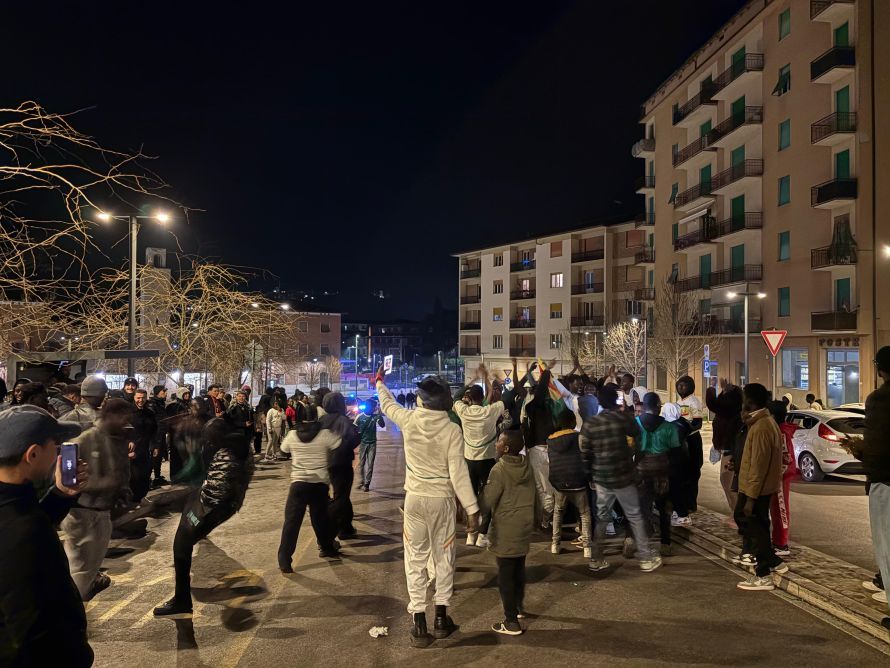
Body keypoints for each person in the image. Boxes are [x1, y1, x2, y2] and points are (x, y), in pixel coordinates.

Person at [374, 368, 479, 648]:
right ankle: (442, 619)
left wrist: (380, 383)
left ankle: (419, 623)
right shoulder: (452, 429)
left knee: (415, 559)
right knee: (444, 557)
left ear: (421, 399)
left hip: (415, 500)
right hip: (441, 500)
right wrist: (472, 508)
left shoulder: (409, 420)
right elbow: (458, 473)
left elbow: (387, 404)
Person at [0, 405, 93, 666]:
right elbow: (31, 632)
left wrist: (60, 495)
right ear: (33, 454)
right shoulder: (21, 532)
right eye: (56, 445)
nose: (59, 452)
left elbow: (27, 519)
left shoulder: (14, 501)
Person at [154, 417, 254, 617]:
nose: (207, 443)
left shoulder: (226, 456)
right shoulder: (241, 449)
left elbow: (213, 494)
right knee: (183, 538)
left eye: (209, 440)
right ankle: (181, 599)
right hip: (223, 505)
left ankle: (181, 601)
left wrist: (184, 501)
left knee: (181, 544)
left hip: (213, 508)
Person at [581, 385, 661, 573]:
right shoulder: (621, 418)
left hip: (601, 477)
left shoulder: (591, 423)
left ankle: (596, 558)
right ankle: (645, 559)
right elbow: (636, 431)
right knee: (634, 516)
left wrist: (590, 474)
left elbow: (585, 452)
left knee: (601, 518)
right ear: (615, 402)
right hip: (623, 476)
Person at [62, 398, 135, 600]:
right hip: (81, 512)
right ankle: (70, 615)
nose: (124, 423)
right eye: (122, 418)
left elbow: (122, 470)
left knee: (90, 568)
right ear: (110, 415)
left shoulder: (117, 437)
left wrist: (123, 488)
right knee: (79, 569)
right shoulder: (86, 438)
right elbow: (67, 473)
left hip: (103, 512)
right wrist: (100, 483)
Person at [845, 346, 890, 628]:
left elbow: (878, 446)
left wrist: (859, 449)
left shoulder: (880, 400)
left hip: (886, 480)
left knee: (886, 546)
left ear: (880, 369)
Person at [479, 430, 535, 636]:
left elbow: (488, 500)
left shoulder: (499, 470)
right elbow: (535, 492)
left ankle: (510, 621)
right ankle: (519, 608)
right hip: (524, 525)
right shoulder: (526, 465)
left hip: (506, 528)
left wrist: (474, 512)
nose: (496, 444)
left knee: (505, 575)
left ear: (507, 448)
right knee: (518, 569)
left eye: (499, 442)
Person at [735, 383, 787, 591]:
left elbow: (758, 464)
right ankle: (774, 561)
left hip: (755, 489)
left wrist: (751, 498)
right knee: (759, 528)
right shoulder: (761, 422)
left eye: (744, 398)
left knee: (753, 527)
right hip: (757, 487)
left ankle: (764, 572)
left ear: (750, 401)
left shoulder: (763, 426)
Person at [277, 411, 342, 571]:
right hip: (319, 483)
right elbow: (339, 443)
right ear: (316, 417)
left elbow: (283, 450)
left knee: (291, 523)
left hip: (298, 484)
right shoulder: (325, 434)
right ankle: (327, 548)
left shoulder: (292, 435)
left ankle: (284, 561)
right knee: (320, 520)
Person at [452, 372, 503, 548]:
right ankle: (483, 534)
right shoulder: (490, 411)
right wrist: (492, 385)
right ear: (482, 398)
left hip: (469, 462)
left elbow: (457, 396)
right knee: (488, 497)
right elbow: (502, 400)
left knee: (470, 498)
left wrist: (470, 384)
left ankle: (470, 534)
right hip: (487, 461)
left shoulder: (463, 411)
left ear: (469, 398)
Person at [636, 394, 681, 556]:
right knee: (664, 508)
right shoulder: (670, 427)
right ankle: (665, 543)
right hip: (662, 471)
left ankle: (641, 542)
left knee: (642, 508)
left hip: (641, 471)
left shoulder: (635, 423)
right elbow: (676, 452)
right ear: (657, 406)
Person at [547, 408, 592, 558]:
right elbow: (586, 455)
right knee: (584, 512)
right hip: (578, 480)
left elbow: (550, 462)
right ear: (572, 422)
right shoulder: (579, 437)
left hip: (559, 482)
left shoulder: (550, 440)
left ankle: (555, 544)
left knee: (558, 511)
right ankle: (587, 548)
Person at [320, 392, 361, 539]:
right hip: (341, 462)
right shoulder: (343, 420)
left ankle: (346, 526)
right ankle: (332, 529)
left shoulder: (322, 420)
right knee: (341, 496)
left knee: (341, 495)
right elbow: (354, 439)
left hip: (324, 461)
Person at [521, 365, 556, 529]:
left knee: (541, 486)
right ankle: (546, 519)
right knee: (546, 486)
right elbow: (540, 388)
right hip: (544, 449)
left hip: (536, 449)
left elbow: (538, 388)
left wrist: (531, 372)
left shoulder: (529, 408)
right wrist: (546, 371)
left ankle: (545, 519)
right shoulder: (539, 407)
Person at [706, 379, 744, 515]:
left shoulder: (730, 410)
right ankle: (738, 514)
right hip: (729, 450)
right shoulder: (730, 411)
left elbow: (712, 404)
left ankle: (739, 515)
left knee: (728, 483)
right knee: (728, 483)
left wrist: (711, 387)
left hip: (731, 452)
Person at [767, 400, 797, 557]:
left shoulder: (781, 432)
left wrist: (777, 474)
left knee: (780, 509)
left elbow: (786, 458)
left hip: (780, 476)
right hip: (775, 476)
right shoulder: (778, 430)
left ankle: (781, 543)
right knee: (775, 509)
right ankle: (778, 540)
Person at [675, 375, 704, 518]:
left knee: (693, 473)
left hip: (692, 440)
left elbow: (698, 423)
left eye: (684, 385)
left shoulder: (694, 402)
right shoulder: (679, 401)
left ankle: (691, 503)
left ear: (691, 387)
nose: (680, 388)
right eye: (679, 385)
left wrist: (686, 429)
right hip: (681, 440)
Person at [130, 389, 158, 503]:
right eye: (138, 397)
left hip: (146, 448)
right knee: (134, 476)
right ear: (134, 397)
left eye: (143, 398)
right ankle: (133, 500)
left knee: (145, 474)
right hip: (133, 449)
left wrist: (155, 445)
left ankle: (143, 498)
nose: (140, 400)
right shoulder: (129, 413)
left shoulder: (149, 413)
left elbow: (154, 430)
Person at [354, 399, 385, 491]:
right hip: (363, 443)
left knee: (370, 464)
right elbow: (354, 429)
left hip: (372, 443)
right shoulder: (360, 417)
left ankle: (367, 484)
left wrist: (379, 416)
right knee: (361, 464)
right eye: (374, 407)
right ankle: (362, 481)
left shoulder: (376, 416)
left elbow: (382, 425)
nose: (375, 409)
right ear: (369, 407)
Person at [150, 386, 169, 487]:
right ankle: (150, 479)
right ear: (158, 393)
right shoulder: (153, 404)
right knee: (154, 457)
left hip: (161, 434)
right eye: (164, 391)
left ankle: (157, 477)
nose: (166, 393)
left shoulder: (160, 403)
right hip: (155, 435)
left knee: (159, 457)